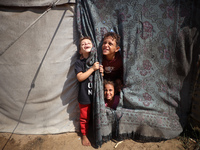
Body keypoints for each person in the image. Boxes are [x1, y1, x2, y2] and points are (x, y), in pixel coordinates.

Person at [74, 36, 103, 146]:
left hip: (96, 95)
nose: (86, 44)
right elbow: (80, 77)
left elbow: (101, 76)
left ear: (93, 46)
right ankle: (84, 135)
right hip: (84, 95)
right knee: (84, 117)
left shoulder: (96, 60)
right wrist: (92, 69)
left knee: (95, 114)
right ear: (80, 51)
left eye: (88, 43)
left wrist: (101, 71)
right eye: (83, 44)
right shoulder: (79, 63)